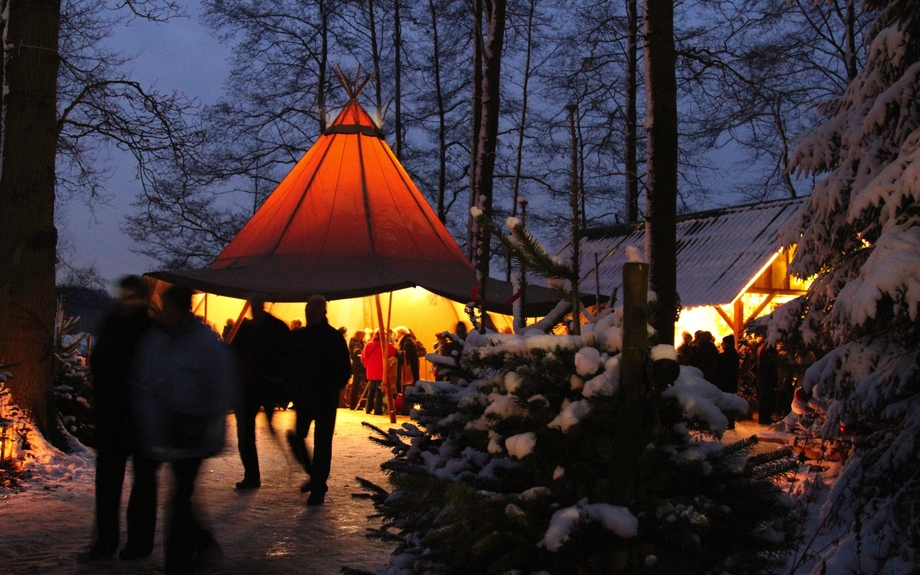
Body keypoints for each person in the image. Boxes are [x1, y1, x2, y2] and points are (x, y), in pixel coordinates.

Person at [132, 284, 239, 574]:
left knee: (180, 496)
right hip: (166, 429)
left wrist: (208, 422)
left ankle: (179, 560)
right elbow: (146, 382)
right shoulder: (159, 341)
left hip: (193, 431)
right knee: (181, 496)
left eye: (168, 309)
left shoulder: (203, 345)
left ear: (180, 310)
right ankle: (198, 544)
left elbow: (222, 387)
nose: (163, 314)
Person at [81, 276, 160, 563]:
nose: (128, 301)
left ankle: (133, 542)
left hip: (135, 419)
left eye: (132, 296)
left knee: (138, 485)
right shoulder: (133, 326)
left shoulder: (143, 328)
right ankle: (110, 542)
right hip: (119, 418)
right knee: (115, 485)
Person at [285, 295, 352, 505]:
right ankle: (315, 477)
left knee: (322, 443)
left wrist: (330, 388)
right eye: (307, 311)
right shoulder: (301, 337)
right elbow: (290, 365)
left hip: (323, 398)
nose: (309, 315)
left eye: (312, 311)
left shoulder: (332, 338)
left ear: (322, 312)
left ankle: (318, 486)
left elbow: (344, 370)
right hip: (306, 397)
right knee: (298, 437)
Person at [229, 295, 290, 490]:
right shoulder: (258, 329)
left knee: (247, 432)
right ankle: (252, 475)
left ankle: (252, 475)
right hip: (251, 387)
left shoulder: (268, 329)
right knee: (246, 432)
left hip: (261, 385)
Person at [362, 329, 396, 415]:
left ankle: (368, 408)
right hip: (381, 370)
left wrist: (368, 366)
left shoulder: (368, 345)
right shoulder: (386, 345)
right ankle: (377, 410)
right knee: (379, 390)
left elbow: (364, 357)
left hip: (371, 370)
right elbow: (393, 352)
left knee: (371, 390)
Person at [756, 341, 780, 424]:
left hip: (764, 380)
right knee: (766, 399)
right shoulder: (768, 351)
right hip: (767, 380)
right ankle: (764, 418)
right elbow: (770, 367)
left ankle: (765, 417)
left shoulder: (764, 349)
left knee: (765, 398)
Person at [395, 326, 420, 394]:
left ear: (400, 334)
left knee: (408, 386)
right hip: (411, 368)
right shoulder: (408, 340)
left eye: (397, 334)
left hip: (410, 369)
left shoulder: (408, 341)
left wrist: (396, 352)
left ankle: (408, 403)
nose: (397, 336)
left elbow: (406, 355)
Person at [348, 329, 367, 410]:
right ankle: (354, 405)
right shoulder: (357, 343)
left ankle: (354, 404)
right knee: (356, 386)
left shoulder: (352, 342)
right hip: (359, 367)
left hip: (356, 367)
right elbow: (357, 352)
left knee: (355, 386)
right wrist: (361, 354)